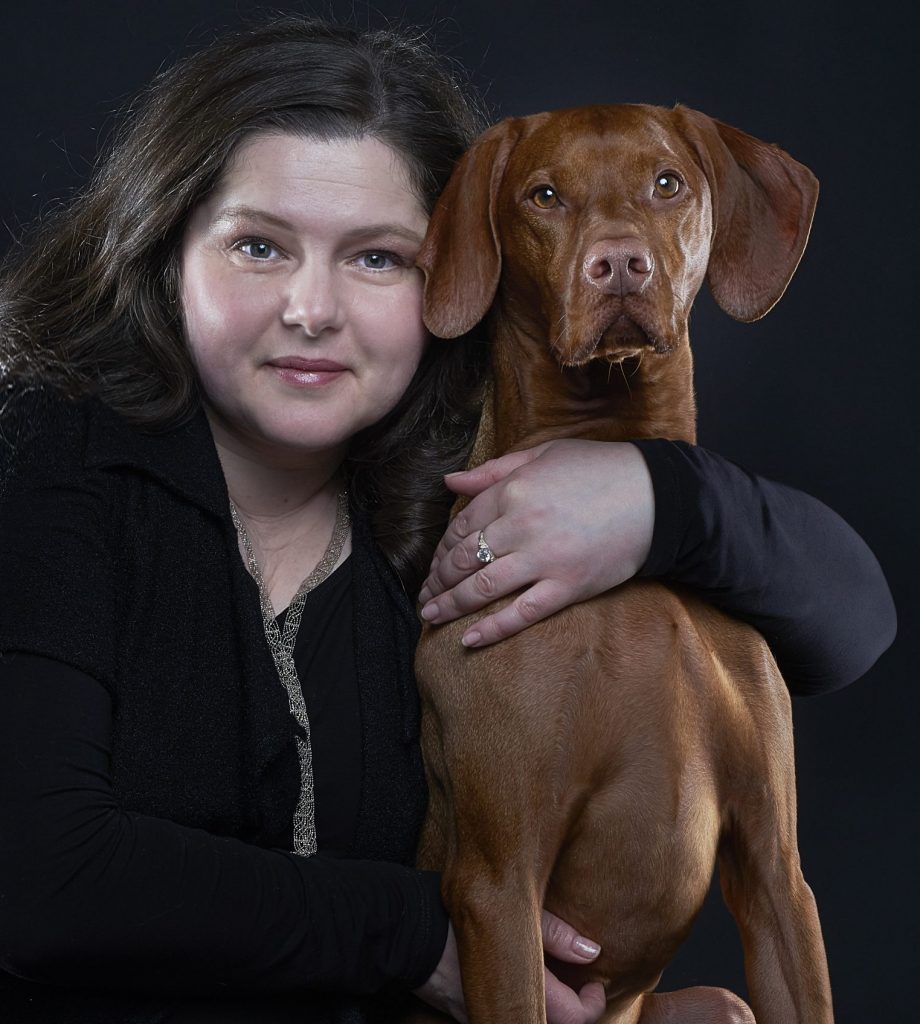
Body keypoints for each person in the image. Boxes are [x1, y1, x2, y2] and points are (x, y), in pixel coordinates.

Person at [0, 13, 895, 1024]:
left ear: (452, 274)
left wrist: (656, 498)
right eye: (258, 245)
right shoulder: (51, 469)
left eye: (375, 259)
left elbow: (854, 617)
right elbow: (42, 883)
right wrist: (421, 935)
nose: (311, 307)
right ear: (166, 248)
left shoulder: (445, 520)